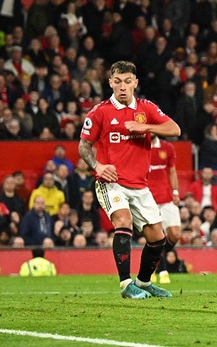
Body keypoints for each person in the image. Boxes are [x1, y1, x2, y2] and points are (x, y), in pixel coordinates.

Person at [79, 60, 181, 299]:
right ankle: (126, 284)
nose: (122, 86)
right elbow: (84, 146)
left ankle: (143, 283)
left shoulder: (146, 108)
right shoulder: (100, 112)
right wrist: (97, 165)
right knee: (123, 220)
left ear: (135, 83)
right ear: (110, 83)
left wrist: (145, 128)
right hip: (111, 182)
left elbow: (174, 129)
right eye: (117, 82)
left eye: (127, 81)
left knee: (157, 237)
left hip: (140, 185)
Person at [146, 137, 181, 284]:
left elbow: (172, 171)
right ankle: (162, 270)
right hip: (148, 199)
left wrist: (175, 192)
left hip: (167, 198)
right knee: (156, 237)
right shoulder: (140, 147)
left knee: (175, 234)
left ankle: (153, 264)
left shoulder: (167, 148)